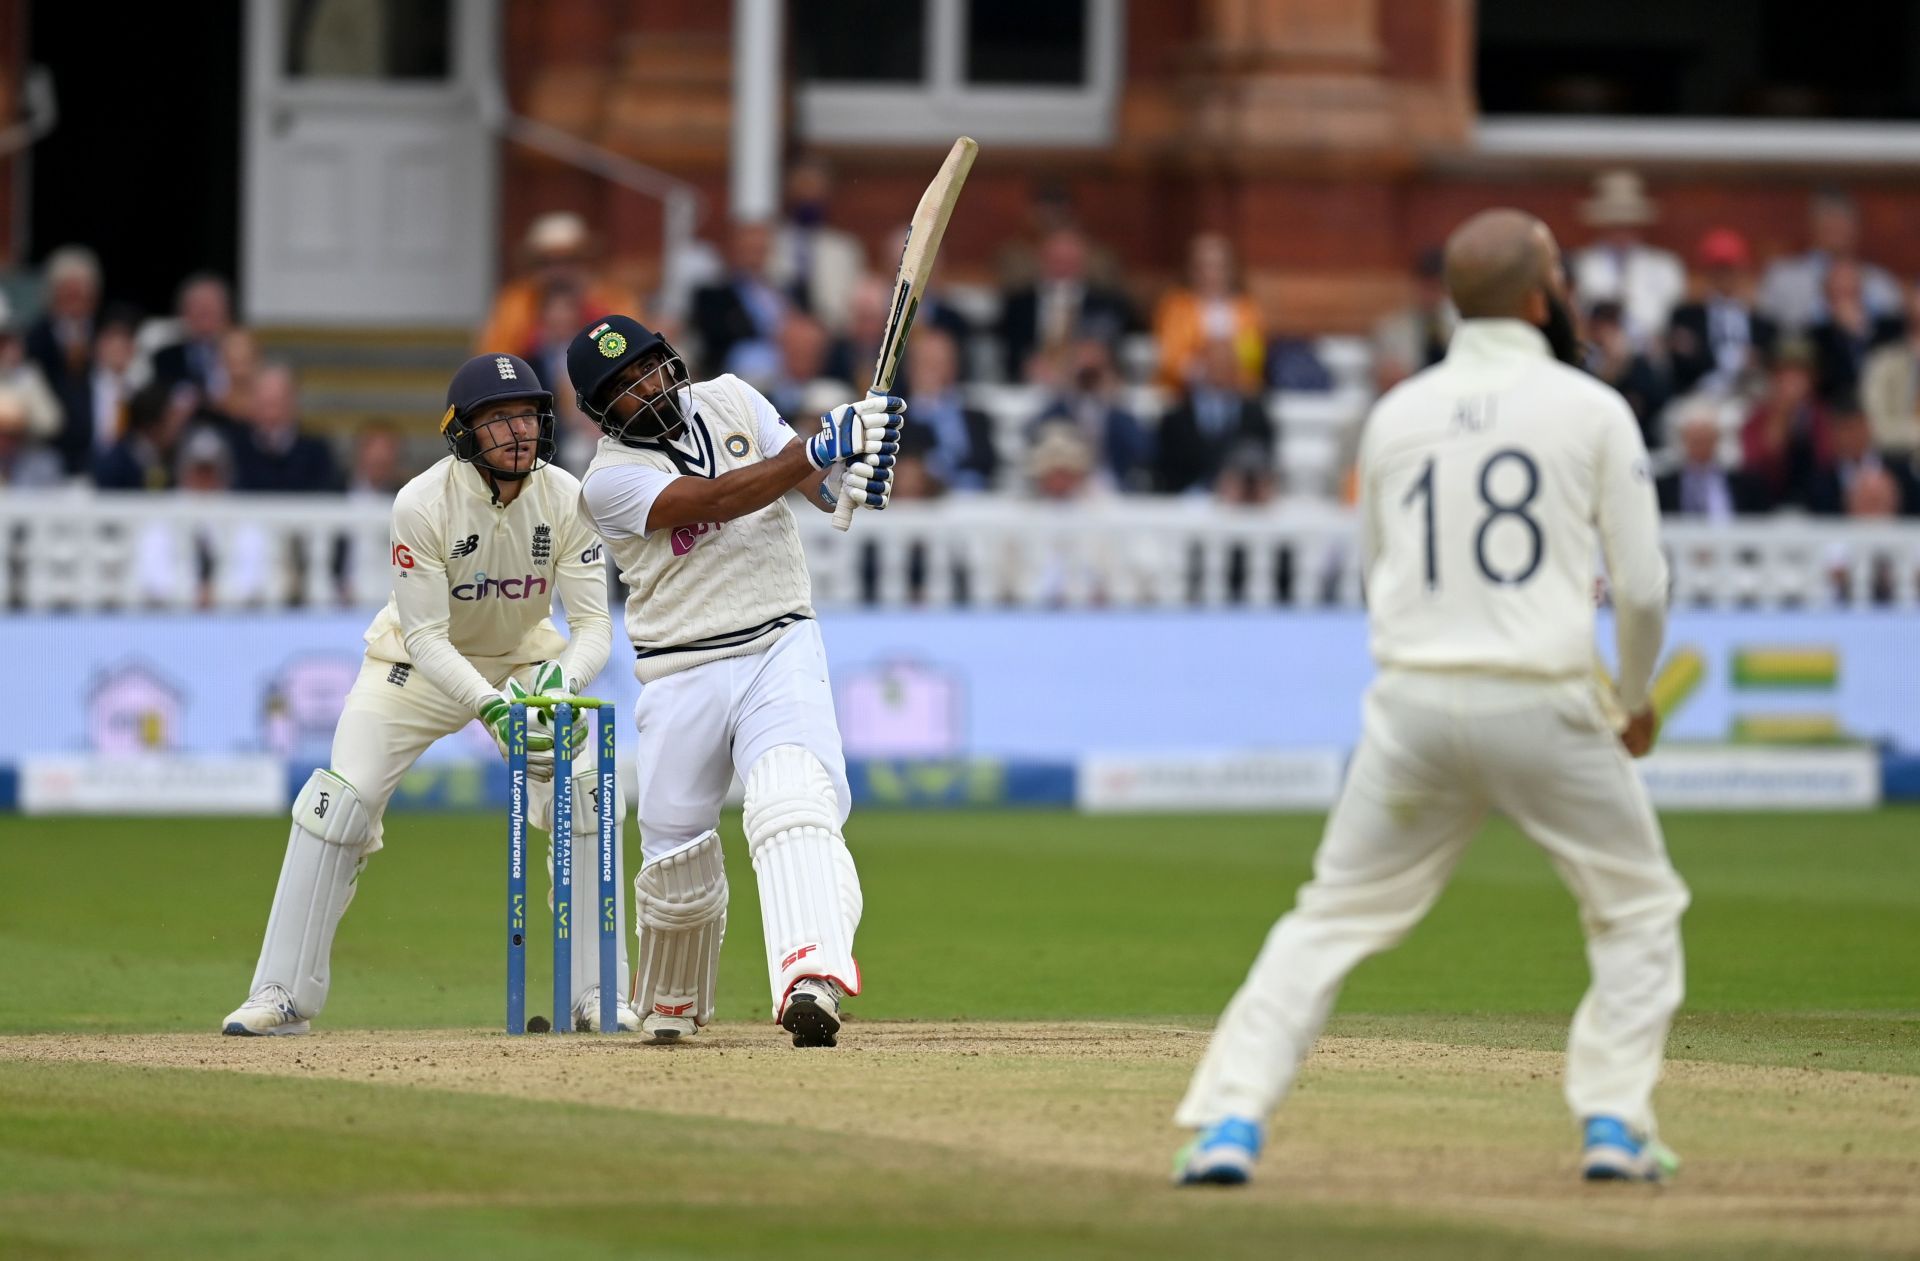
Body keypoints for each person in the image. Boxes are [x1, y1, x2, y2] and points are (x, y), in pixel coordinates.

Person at [1174, 209, 1685, 1187]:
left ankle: (1227, 1122)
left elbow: (1377, 576)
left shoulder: (1399, 412)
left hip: (1412, 705)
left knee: (1328, 918)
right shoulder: (1591, 407)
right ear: (1540, 299)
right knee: (1636, 907)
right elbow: (1647, 586)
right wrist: (1634, 699)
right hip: (1545, 700)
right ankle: (1614, 1121)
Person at [220, 352, 636, 1036]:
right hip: (413, 669)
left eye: (527, 415)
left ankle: (598, 993)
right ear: (462, 432)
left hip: (524, 665)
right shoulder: (420, 503)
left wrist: (556, 687)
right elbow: (427, 636)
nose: (518, 432)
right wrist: (491, 707)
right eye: (499, 419)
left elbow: (593, 626)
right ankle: (282, 993)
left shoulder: (568, 497)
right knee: (336, 805)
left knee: (587, 787)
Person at [572, 315, 903, 1047]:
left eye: (650, 367)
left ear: (670, 358)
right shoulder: (607, 483)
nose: (647, 387)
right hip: (680, 665)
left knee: (794, 802)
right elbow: (718, 499)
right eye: (623, 388)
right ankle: (672, 1001)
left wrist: (855, 470)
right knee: (676, 856)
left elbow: (809, 485)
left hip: (778, 638)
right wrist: (818, 448)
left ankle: (810, 978)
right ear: (602, 413)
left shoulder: (732, 397)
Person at [1758, 188, 1901, 333]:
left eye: (1843, 220)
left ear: (1856, 227)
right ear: (1813, 225)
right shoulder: (1783, 277)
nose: (1836, 227)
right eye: (1828, 219)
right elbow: (1767, 332)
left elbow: (1892, 337)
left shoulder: (1881, 282)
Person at [1569, 170, 1685, 348]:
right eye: (1615, 224)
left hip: (1649, 356)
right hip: (1597, 353)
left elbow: (1671, 317)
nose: (1622, 232)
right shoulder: (1581, 264)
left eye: (1627, 224)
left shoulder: (1664, 266)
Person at [1153, 339, 1276, 496]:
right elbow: (1165, 467)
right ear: (1202, 367)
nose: (1220, 369)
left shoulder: (1255, 414)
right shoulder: (1176, 417)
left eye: (1226, 363)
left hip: (1239, 502)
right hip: (1186, 501)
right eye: (1214, 363)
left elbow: (1264, 457)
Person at [1666, 229, 1776, 399]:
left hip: (1749, 398)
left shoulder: (1762, 322)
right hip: (1698, 396)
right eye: (1718, 269)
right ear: (1707, 272)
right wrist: (1736, 359)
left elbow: (1769, 361)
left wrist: (1702, 352)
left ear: (1743, 271)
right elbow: (1683, 365)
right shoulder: (1686, 317)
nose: (1725, 276)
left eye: (1731, 269)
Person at [1153, 232, 1265, 391]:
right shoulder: (1176, 307)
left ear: (1230, 269)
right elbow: (1169, 357)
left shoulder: (1246, 308)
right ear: (1191, 269)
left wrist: (1229, 366)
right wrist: (1206, 366)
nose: (1210, 274)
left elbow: (1253, 358)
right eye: (1203, 266)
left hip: (1236, 391)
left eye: (1218, 266)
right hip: (1184, 394)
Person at [26, 244, 102, 475]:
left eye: (80, 292)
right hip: (51, 443)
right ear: (52, 294)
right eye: (67, 292)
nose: (74, 299)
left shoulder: (106, 332)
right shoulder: (35, 337)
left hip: (98, 442)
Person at [1655, 398, 1765, 518]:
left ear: (1717, 439)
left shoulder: (1747, 485)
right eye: (1695, 440)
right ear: (1683, 440)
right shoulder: (1663, 489)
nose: (1701, 446)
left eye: (1706, 439)